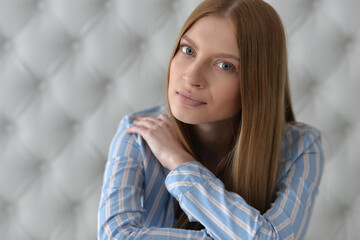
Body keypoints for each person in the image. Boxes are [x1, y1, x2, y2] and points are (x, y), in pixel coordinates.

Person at [97, 0, 324, 239]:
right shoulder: (140, 132)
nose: (192, 76)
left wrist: (180, 163)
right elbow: (116, 236)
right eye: (188, 50)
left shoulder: (302, 146)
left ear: (258, 84)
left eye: (224, 65)